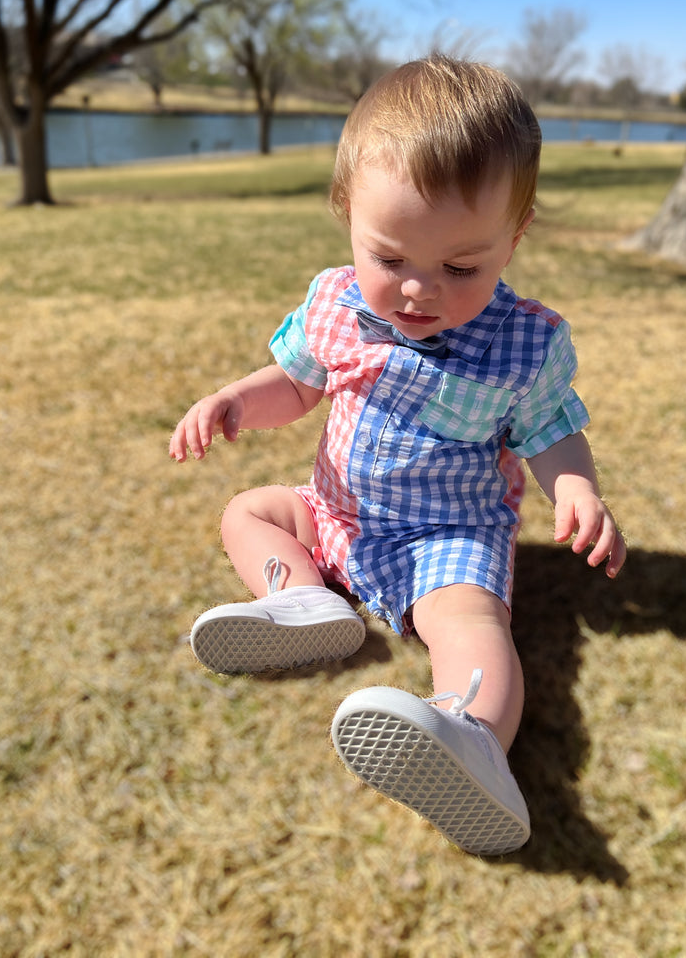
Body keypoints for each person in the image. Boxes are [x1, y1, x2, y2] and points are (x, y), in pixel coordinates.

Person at [169, 54, 626, 856]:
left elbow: (551, 430)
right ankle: (303, 602)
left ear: (512, 240)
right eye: (391, 260)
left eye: (460, 267)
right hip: (337, 514)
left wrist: (577, 489)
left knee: (471, 624)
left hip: (445, 540)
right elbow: (296, 383)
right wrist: (238, 400)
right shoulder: (336, 305)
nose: (420, 290)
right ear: (347, 213)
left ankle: (471, 739)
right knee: (250, 512)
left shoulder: (522, 345)